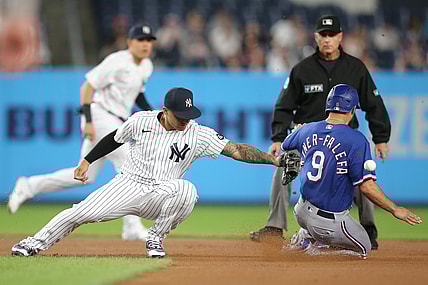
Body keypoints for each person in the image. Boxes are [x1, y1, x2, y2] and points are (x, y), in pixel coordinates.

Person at [10, 87, 282, 258]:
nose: (186, 120)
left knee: (187, 190)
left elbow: (236, 150)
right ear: (164, 111)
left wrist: (273, 160)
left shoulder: (198, 134)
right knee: (79, 212)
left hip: (163, 192)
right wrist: (86, 161)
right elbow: (112, 139)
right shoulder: (141, 121)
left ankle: (155, 239)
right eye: (180, 115)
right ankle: (34, 243)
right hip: (128, 183)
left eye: (189, 115)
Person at [250, 15, 391, 250]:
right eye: (323, 35)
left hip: (344, 139)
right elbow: (284, 106)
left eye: (332, 35)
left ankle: (368, 229)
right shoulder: (302, 69)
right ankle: (275, 226)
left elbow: (374, 104)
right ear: (316, 37)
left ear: (340, 37)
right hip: (308, 138)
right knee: (283, 165)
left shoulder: (355, 68)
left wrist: (381, 138)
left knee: (363, 174)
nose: (327, 40)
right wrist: (278, 137)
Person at [7, 23, 157, 241]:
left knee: (83, 176)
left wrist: (153, 114)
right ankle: (132, 226)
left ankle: (28, 186)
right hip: (100, 116)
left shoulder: (146, 66)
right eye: (140, 40)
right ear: (129, 42)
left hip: (117, 119)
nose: (145, 44)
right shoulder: (116, 61)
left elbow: (137, 95)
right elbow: (87, 88)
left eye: (149, 40)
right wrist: (87, 120)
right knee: (130, 164)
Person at [282, 84, 422, 258]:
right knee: (364, 248)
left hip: (301, 212)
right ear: (353, 110)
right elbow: (366, 187)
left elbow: (286, 145)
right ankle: (316, 251)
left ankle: (304, 236)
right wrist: (394, 209)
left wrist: (299, 130)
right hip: (328, 223)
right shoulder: (356, 140)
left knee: (318, 216)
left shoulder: (308, 129)